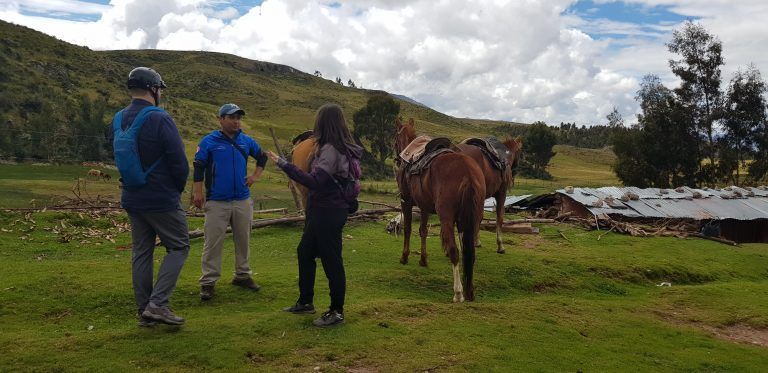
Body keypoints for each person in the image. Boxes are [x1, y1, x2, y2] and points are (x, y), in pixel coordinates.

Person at [266, 103, 362, 328]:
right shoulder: (342, 147)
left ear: (323, 122)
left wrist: (284, 165)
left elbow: (315, 181)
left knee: (332, 261)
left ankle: (336, 311)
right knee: (305, 252)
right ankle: (305, 301)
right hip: (326, 210)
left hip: (327, 211)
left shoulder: (330, 149)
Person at [111, 67, 190, 327]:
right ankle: (158, 305)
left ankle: (144, 309)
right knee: (178, 246)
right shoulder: (160, 118)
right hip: (161, 198)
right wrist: (176, 190)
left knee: (142, 252)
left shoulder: (119, 118)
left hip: (132, 197)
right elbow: (179, 162)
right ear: (153, 89)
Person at [192, 103, 267, 300]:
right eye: (231, 117)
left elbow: (262, 157)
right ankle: (208, 282)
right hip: (217, 201)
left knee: (243, 240)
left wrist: (254, 177)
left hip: (242, 200)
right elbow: (199, 166)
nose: (236, 121)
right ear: (221, 119)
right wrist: (198, 192)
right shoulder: (209, 141)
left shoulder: (246, 141)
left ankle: (242, 275)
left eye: (238, 118)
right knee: (213, 242)